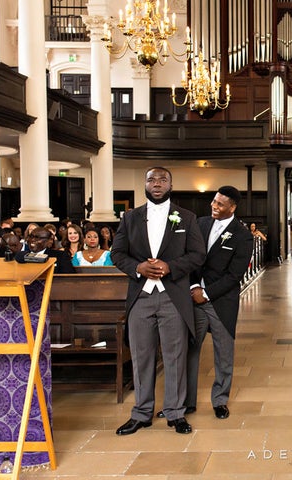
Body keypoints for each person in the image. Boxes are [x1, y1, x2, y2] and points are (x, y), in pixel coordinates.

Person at [110, 167, 206, 436]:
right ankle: (141, 413)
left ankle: (175, 413)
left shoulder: (186, 217)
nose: (156, 183)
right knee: (142, 357)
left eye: (162, 179)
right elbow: (117, 253)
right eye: (151, 179)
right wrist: (138, 267)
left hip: (172, 296)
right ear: (145, 184)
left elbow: (198, 254)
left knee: (175, 356)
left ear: (170, 185)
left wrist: (170, 267)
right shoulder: (130, 217)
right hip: (141, 297)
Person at [185, 186, 253, 420]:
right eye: (214, 201)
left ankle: (220, 400)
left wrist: (206, 293)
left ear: (232, 207)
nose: (214, 206)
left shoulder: (242, 235)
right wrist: (194, 287)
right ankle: (186, 401)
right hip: (194, 297)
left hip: (221, 300)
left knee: (223, 353)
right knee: (189, 350)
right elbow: (190, 258)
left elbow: (235, 275)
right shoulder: (200, 224)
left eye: (220, 204)